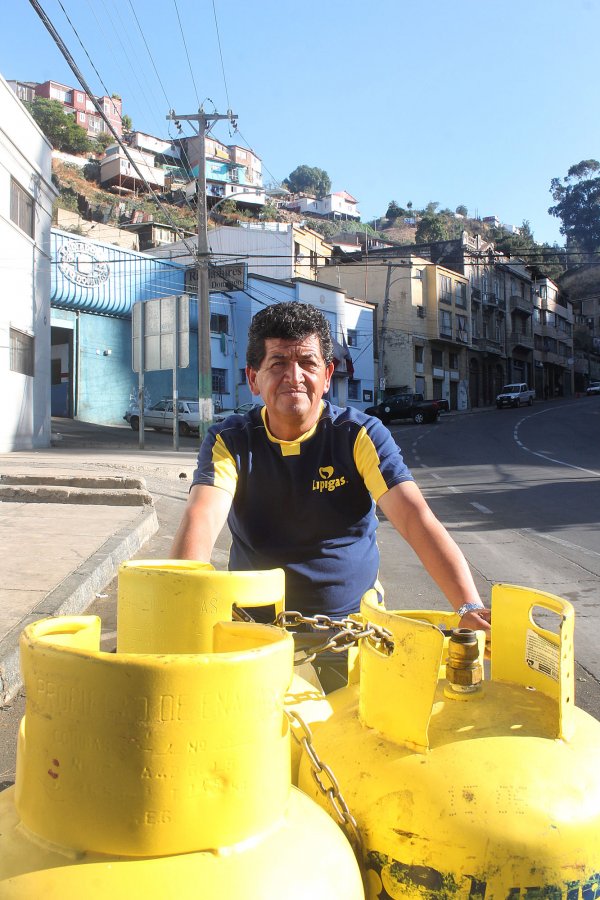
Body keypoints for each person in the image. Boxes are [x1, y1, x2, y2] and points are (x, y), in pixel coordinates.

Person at [170, 302, 490, 677]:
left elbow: (416, 519)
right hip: (252, 631)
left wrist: (468, 609)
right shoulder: (230, 440)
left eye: (308, 362)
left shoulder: (359, 435)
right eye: (277, 363)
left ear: (327, 375)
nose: (294, 376)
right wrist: (177, 612)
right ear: (253, 378)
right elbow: (202, 516)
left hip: (350, 628)